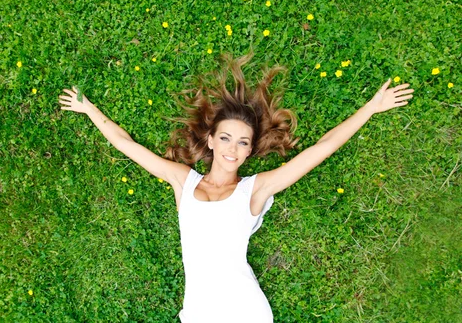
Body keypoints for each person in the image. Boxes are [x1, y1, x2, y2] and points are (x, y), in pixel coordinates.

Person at [58, 52, 414, 322]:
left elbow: (321, 149)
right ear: (210, 141)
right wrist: (89, 110)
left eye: (242, 142)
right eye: (226, 138)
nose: (232, 148)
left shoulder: (254, 190)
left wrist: (371, 107)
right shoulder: (183, 180)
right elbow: (126, 145)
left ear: (249, 150)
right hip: (197, 312)